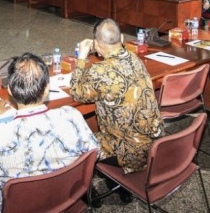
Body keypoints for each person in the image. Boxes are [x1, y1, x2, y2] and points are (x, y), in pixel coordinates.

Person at [0, 53, 99, 213]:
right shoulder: (71, 115)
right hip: (65, 196)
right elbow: (95, 151)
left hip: (11, 206)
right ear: (47, 88)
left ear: (10, 91)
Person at [70, 19, 163, 202]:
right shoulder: (134, 58)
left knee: (76, 144)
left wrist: (81, 58)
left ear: (96, 44)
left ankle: (87, 194)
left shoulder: (100, 70)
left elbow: (77, 93)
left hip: (130, 153)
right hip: (155, 146)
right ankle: (119, 184)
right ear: (121, 38)